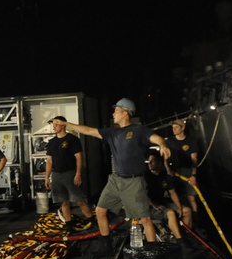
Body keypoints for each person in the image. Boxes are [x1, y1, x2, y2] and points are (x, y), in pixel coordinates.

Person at [52, 98, 171, 244]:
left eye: (116, 111)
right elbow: (88, 130)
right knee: (100, 211)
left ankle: (152, 249)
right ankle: (106, 244)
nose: (113, 114)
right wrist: (66, 124)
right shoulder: (112, 132)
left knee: (144, 219)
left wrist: (163, 145)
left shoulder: (138, 130)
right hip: (115, 180)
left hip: (134, 181)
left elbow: (156, 138)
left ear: (125, 112)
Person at [44, 116, 94, 232]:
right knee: (63, 201)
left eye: (56, 124)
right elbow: (49, 161)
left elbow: (78, 157)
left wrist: (78, 173)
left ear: (63, 125)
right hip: (56, 174)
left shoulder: (72, 139)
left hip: (69, 173)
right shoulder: (52, 143)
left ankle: (92, 220)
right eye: (53, 125)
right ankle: (69, 225)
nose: (54, 127)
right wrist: (47, 177)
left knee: (79, 199)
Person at [145, 150, 186, 244]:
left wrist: (179, 207)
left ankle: (184, 234)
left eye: (153, 161)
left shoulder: (164, 176)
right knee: (170, 213)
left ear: (159, 163)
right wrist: (154, 204)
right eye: (149, 161)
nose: (150, 163)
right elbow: (142, 194)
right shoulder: (145, 176)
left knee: (186, 211)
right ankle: (181, 242)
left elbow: (172, 193)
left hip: (162, 201)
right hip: (149, 205)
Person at [165, 119, 198, 225]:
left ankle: (196, 221)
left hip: (188, 171)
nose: (174, 130)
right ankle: (181, 221)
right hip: (175, 172)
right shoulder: (170, 141)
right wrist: (169, 171)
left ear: (182, 128)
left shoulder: (191, 141)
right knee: (177, 195)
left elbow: (194, 159)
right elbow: (165, 159)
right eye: (173, 128)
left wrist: (193, 175)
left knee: (192, 197)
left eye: (176, 127)